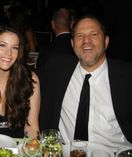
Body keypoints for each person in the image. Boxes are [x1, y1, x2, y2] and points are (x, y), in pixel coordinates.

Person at [37, 14, 132, 151]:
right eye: (80, 36)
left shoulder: (127, 76)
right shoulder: (57, 67)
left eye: (93, 35)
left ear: (106, 41)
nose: (86, 41)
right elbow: (25, 80)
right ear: (72, 43)